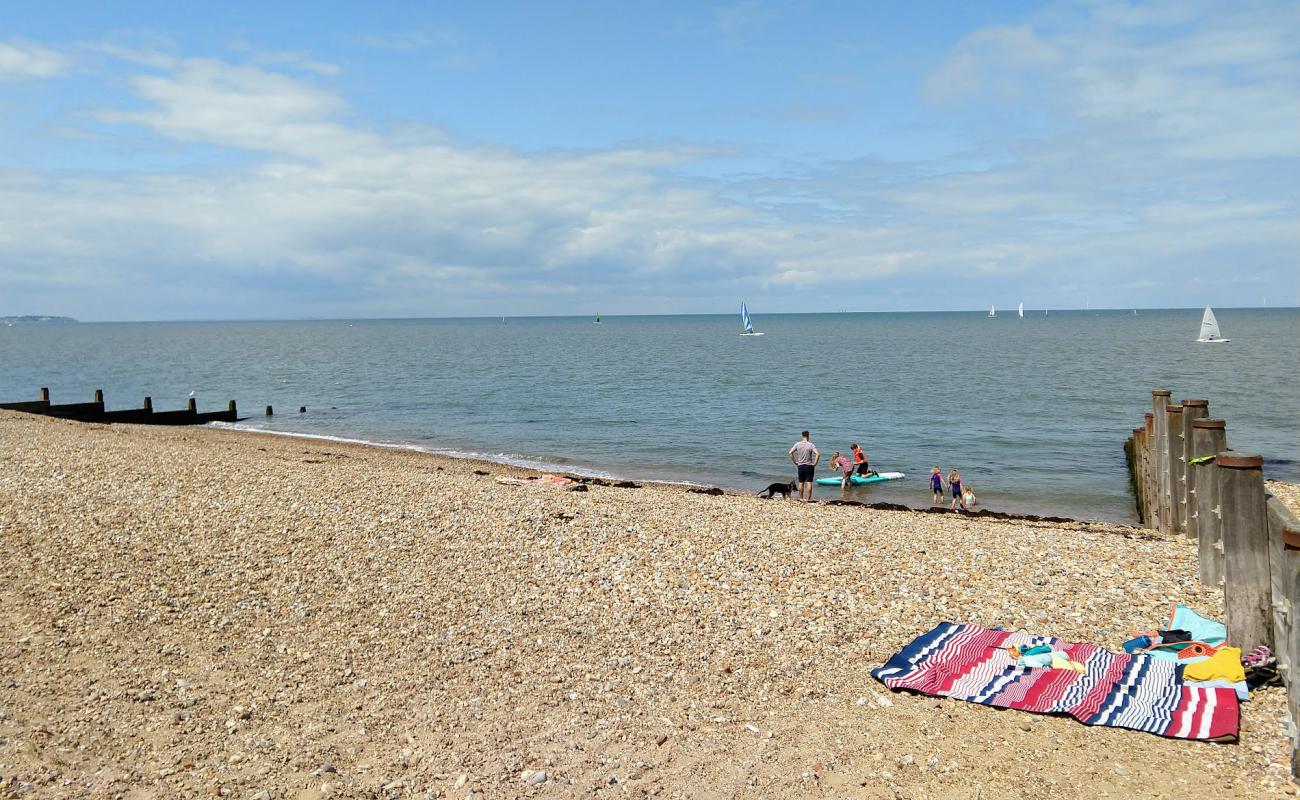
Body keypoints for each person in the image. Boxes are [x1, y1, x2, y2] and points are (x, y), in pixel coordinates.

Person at [788, 431, 820, 501]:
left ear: (802, 436)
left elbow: (790, 453)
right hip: (809, 466)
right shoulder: (811, 445)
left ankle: (801, 498)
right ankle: (808, 499)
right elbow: (818, 454)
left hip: (800, 466)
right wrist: (815, 463)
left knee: (801, 482)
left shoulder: (797, 444)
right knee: (809, 482)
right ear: (808, 436)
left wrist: (795, 462)